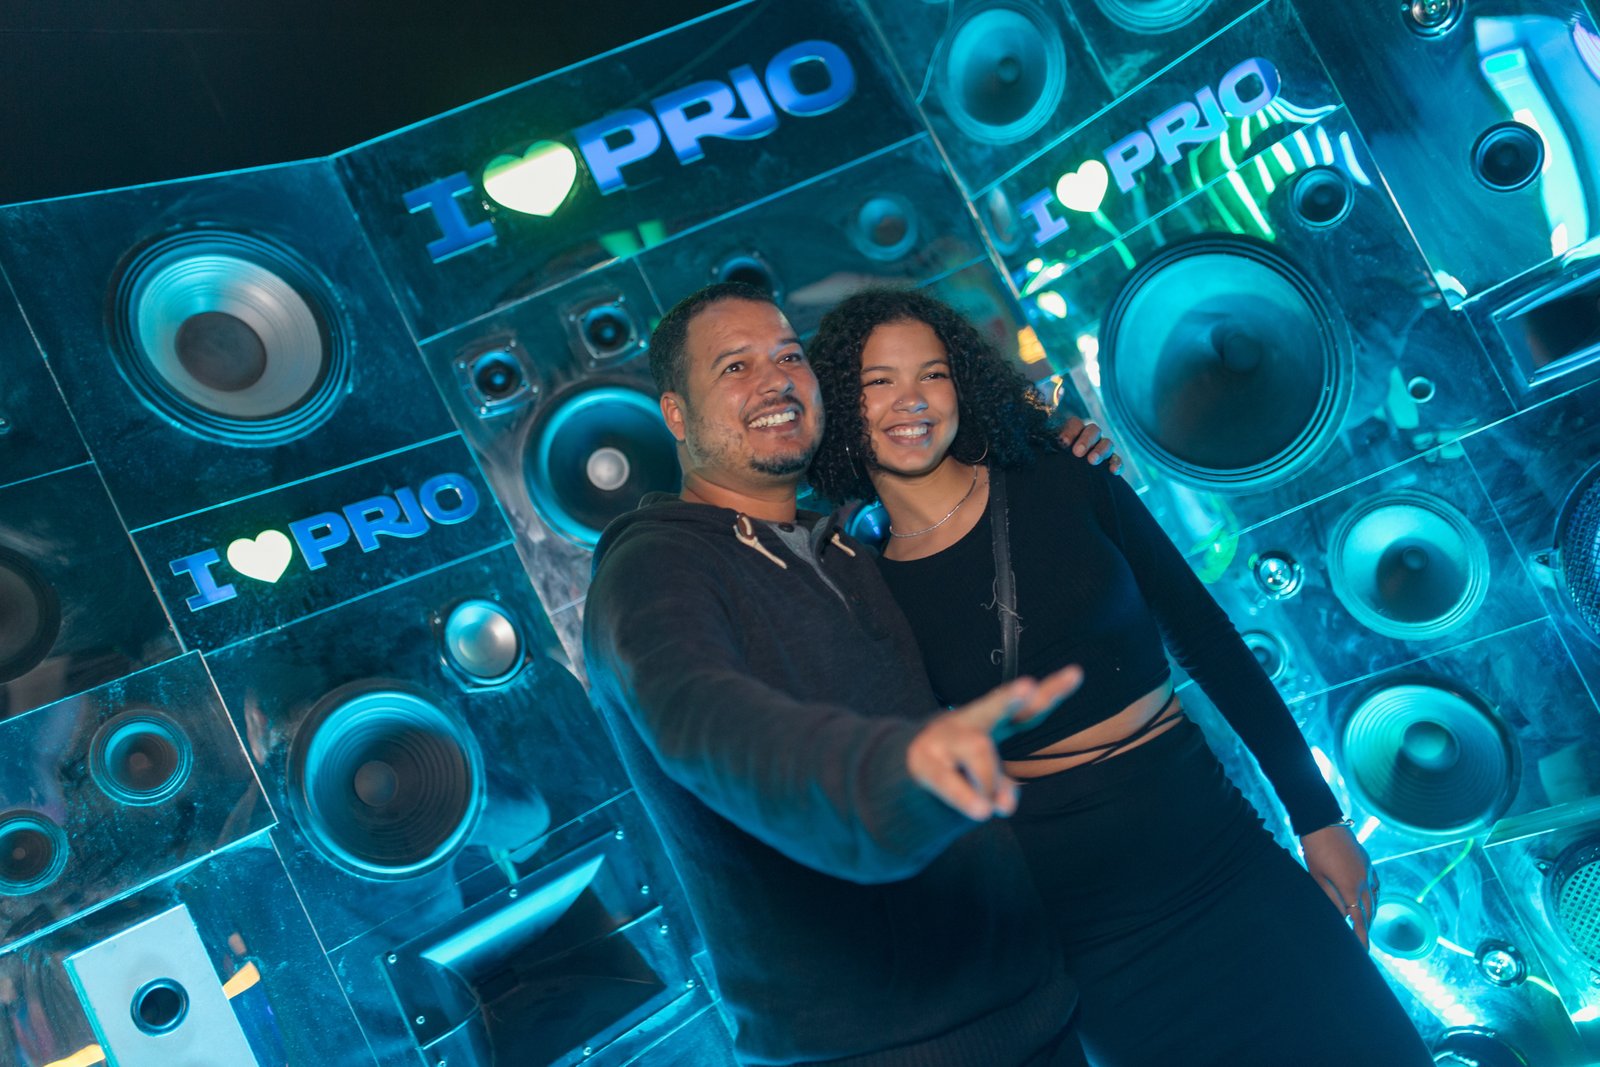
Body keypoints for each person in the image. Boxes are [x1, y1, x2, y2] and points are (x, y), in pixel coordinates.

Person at [806, 288, 1433, 1066]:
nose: (911, 400)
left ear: (960, 383)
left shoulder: (1064, 471)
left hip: (1224, 855)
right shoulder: (870, 592)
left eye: (931, 373)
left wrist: (1318, 815)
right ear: (844, 402)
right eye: (879, 381)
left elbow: (1208, 638)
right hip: (1092, 939)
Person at [582, 281, 1101, 1066]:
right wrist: (889, 773)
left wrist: (1052, 453)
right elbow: (707, 722)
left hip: (1034, 1008)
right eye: (735, 366)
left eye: (789, 356)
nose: (775, 381)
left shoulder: (846, 546)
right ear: (677, 416)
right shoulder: (653, 570)